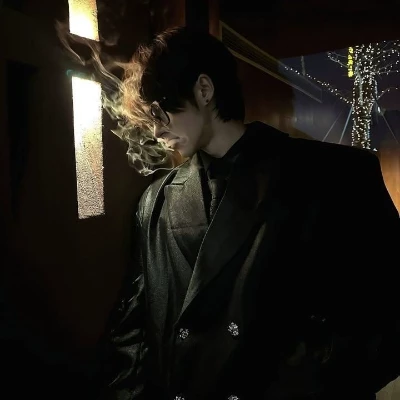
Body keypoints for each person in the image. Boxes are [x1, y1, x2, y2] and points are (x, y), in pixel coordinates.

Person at [97, 26, 400, 400]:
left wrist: (306, 375)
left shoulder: (337, 177)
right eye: (149, 118)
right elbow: (133, 329)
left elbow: (387, 313)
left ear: (203, 90)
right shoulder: (154, 203)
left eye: (159, 112)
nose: (156, 131)